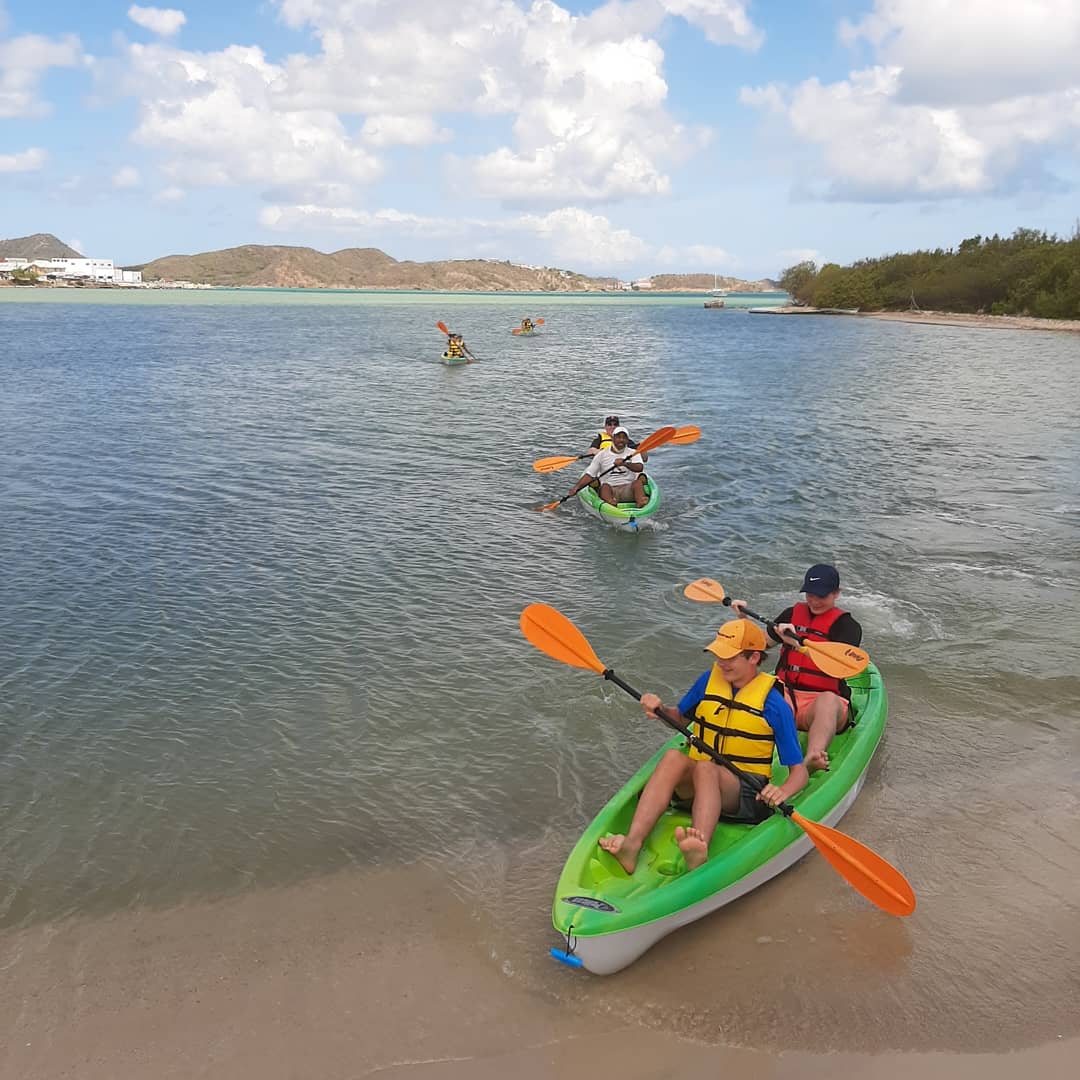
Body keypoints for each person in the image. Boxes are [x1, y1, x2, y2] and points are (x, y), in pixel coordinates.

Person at [598, 619, 808, 875]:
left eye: (729, 656)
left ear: (754, 657)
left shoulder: (774, 704)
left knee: (706, 769)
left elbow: (799, 772)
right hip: (700, 786)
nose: (721, 662)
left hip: (745, 794)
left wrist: (782, 791)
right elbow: (679, 719)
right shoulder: (708, 681)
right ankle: (632, 845)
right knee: (674, 756)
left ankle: (699, 849)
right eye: (718, 654)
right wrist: (660, 710)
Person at [732, 563, 863, 773]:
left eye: (821, 595)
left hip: (822, 704)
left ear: (836, 593)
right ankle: (736, 750)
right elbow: (757, 647)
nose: (814, 601)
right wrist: (742, 618)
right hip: (787, 696)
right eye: (810, 594)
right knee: (756, 690)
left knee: (828, 701)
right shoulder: (791, 614)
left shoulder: (848, 626)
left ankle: (814, 755)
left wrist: (798, 645)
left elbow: (840, 666)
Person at [565, 426, 648, 508]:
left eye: (624, 438)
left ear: (627, 440)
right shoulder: (602, 454)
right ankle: (611, 502)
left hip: (627, 489)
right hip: (610, 489)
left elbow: (639, 467)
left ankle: (640, 501)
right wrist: (576, 487)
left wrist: (625, 464)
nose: (621, 440)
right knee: (604, 487)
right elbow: (590, 475)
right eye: (618, 437)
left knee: (637, 483)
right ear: (613, 438)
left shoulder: (633, 452)